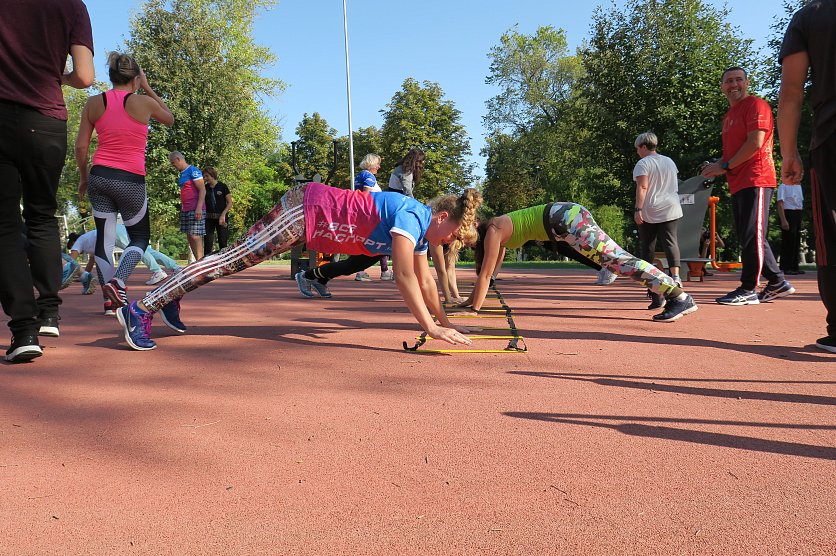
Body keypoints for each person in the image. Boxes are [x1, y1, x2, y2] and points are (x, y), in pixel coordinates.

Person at [116, 182, 483, 351]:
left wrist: (445, 323)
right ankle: (141, 308)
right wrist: (430, 328)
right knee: (231, 260)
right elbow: (403, 277)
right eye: (453, 236)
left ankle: (169, 295)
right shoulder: (412, 215)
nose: (449, 243)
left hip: (311, 221)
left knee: (229, 262)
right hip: (304, 209)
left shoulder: (421, 234)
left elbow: (425, 281)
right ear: (443, 217)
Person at [0, 0, 94, 362]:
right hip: (46, 119)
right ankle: (50, 312)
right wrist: (59, 77)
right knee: (42, 215)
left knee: (6, 225)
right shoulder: (72, 6)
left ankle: (23, 330)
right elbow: (84, 76)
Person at [458, 203, 698, 322]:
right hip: (564, 223)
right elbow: (491, 274)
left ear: (475, 226)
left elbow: (486, 275)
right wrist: (468, 302)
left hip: (566, 219)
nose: (465, 243)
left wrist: (474, 311)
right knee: (616, 264)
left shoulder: (494, 229)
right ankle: (669, 292)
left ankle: (678, 296)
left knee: (619, 260)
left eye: (463, 237)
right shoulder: (495, 232)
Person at [76, 52, 174, 314]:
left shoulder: (94, 103)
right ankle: (118, 282)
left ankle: (109, 303)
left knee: (105, 240)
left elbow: (81, 146)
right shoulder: (144, 102)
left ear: (111, 76)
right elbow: (170, 118)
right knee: (139, 237)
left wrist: (84, 177)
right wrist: (148, 87)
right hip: (130, 179)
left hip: (99, 177)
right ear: (135, 78)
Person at [701, 67, 795, 306]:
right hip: (739, 181)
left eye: (738, 80)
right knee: (750, 235)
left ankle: (749, 288)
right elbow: (733, 151)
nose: (734, 85)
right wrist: (717, 164)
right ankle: (777, 282)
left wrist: (725, 165)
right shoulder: (730, 115)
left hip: (757, 177)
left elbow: (755, 142)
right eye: (728, 81)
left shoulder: (756, 105)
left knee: (753, 234)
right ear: (722, 86)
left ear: (747, 82)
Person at [778, 0, 836, 353]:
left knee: (830, 237)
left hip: (831, 135)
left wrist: (789, 153)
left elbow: (791, 92)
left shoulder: (812, 15)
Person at [66, 226, 181, 312]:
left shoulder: (78, 243)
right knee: (147, 250)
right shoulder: (88, 240)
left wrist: (69, 275)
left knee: (136, 249)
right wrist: (84, 276)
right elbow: (91, 262)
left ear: (73, 242)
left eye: (72, 248)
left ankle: (158, 271)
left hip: (113, 231)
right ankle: (176, 267)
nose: (78, 252)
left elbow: (71, 262)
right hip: (118, 229)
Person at [632, 131, 684, 309]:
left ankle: (653, 289)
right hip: (671, 207)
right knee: (670, 241)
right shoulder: (669, 161)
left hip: (651, 210)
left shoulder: (643, 163)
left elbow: (643, 186)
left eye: (638, 148)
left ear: (643, 146)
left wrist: (638, 209)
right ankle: (676, 276)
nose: (637, 151)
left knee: (647, 248)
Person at [350, 154, 392, 282]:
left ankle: (361, 270)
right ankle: (384, 271)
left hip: (361, 215)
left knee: (363, 242)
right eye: (377, 164)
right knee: (383, 241)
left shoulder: (360, 176)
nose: (379, 167)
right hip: (371, 216)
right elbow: (365, 195)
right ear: (372, 164)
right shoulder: (369, 177)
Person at [169, 151, 206, 261]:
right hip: (186, 208)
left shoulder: (193, 171)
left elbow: (202, 189)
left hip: (195, 208)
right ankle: (197, 260)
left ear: (178, 159)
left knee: (195, 235)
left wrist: (199, 208)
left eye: (173, 163)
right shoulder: (182, 173)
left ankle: (201, 261)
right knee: (189, 235)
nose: (173, 166)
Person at [201, 167, 232, 256]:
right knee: (208, 242)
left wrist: (223, 214)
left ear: (212, 175)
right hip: (208, 218)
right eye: (204, 176)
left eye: (207, 176)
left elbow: (230, 203)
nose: (205, 178)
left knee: (223, 241)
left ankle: (224, 260)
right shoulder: (204, 188)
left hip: (221, 218)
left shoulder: (222, 186)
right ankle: (206, 261)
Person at [776, 182, 805, 275]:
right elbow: (780, 204)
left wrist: (801, 219)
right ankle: (785, 267)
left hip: (797, 213)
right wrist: (783, 220)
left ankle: (794, 267)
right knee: (788, 241)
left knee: (796, 241)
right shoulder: (783, 186)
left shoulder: (798, 186)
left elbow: (800, 202)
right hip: (788, 213)